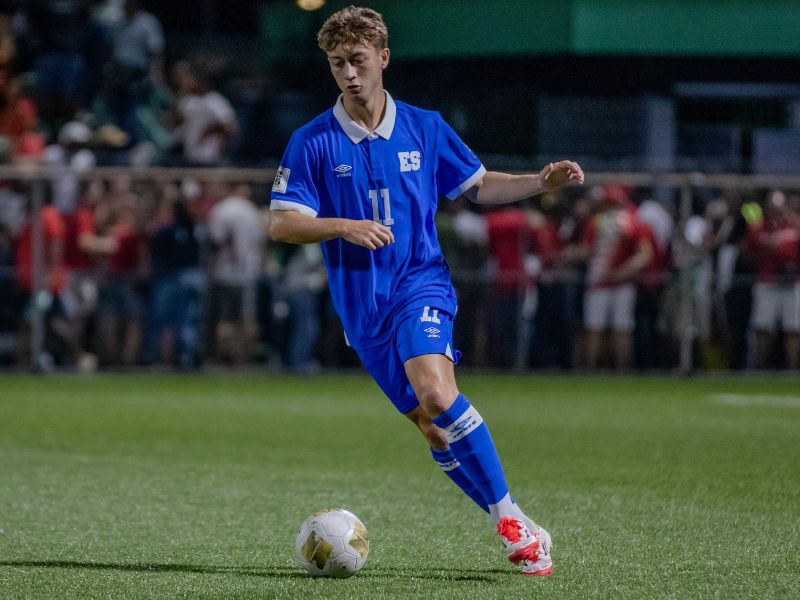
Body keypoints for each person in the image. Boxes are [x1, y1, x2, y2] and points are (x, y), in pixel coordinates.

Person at [268, 6, 584, 576]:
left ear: (383, 58)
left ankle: (511, 522)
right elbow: (282, 223)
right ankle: (513, 518)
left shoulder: (425, 127)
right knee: (434, 428)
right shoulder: (312, 141)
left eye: (358, 60)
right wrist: (342, 226)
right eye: (337, 63)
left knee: (437, 394)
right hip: (362, 308)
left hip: (420, 284)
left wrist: (539, 182)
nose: (349, 74)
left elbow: (478, 186)